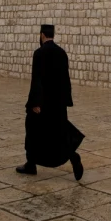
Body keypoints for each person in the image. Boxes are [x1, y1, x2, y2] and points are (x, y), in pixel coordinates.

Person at [15, 24, 84, 180]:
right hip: (58, 103)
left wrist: (35, 103)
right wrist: (66, 101)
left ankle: (31, 164)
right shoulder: (62, 53)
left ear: (42, 35)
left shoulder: (39, 53)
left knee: (32, 130)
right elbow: (66, 80)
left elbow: (37, 80)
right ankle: (73, 157)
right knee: (58, 133)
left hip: (43, 103)